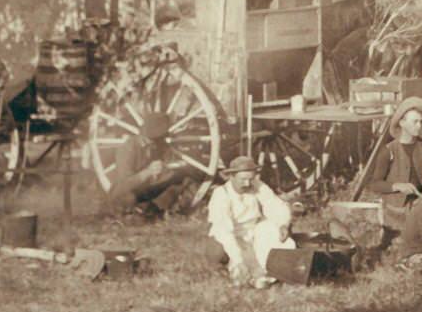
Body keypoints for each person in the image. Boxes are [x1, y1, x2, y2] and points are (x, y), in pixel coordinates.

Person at [204, 156, 295, 287]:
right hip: (231, 234)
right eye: (243, 179)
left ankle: (275, 271)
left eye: (250, 179)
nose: (247, 183)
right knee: (220, 252)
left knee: (273, 233)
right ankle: (229, 270)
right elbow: (224, 229)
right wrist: (238, 258)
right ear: (232, 176)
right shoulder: (221, 194)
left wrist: (282, 224)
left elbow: (275, 205)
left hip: (254, 231)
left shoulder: (258, 186)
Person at [364, 96, 422, 226]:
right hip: (395, 213)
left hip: (421, 208)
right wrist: (397, 186)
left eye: (421, 122)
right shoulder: (388, 151)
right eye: (415, 122)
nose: (419, 126)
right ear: (402, 123)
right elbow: (374, 184)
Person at [108, 111, 191, 218]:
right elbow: (125, 183)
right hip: (126, 191)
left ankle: (154, 209)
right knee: (128, 197)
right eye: (159, 136)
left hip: (147, 189)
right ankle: (143, 211)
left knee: (180, 179)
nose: (162, 139)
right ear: (149, 135)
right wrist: (148, 172)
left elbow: (168, 163)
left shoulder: (155, 144)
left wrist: (173, 165)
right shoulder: (127, 149)